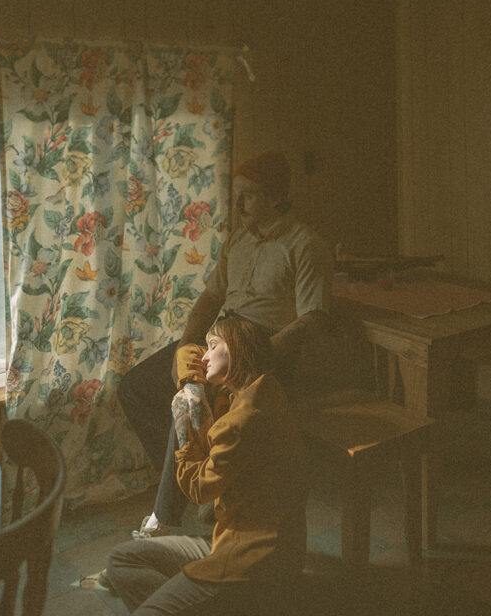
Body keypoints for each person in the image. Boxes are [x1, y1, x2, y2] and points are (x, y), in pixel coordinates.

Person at [117, 150, 333, 536]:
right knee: (135, 388)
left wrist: (255, 355)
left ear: (276, 197)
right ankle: (198, 484)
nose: (238, 204)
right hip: (219, 335)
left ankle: (164, 516)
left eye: (248, 195)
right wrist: (185, 345)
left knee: (192, 396)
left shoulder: (304, 243)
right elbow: (210, 299)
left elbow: (314, 318)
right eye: (238, 194)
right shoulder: (238, 240)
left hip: (263, 341)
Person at [106, 317, 308, 615]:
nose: (204, 356)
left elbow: (199, 490)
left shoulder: (244, 419)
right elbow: (187, 351)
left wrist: (184, 428)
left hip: (251, 560)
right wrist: (192, 387)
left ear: (238, 350)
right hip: (236, 540)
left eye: (213, 346)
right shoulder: (260, 387)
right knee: (122, 559)